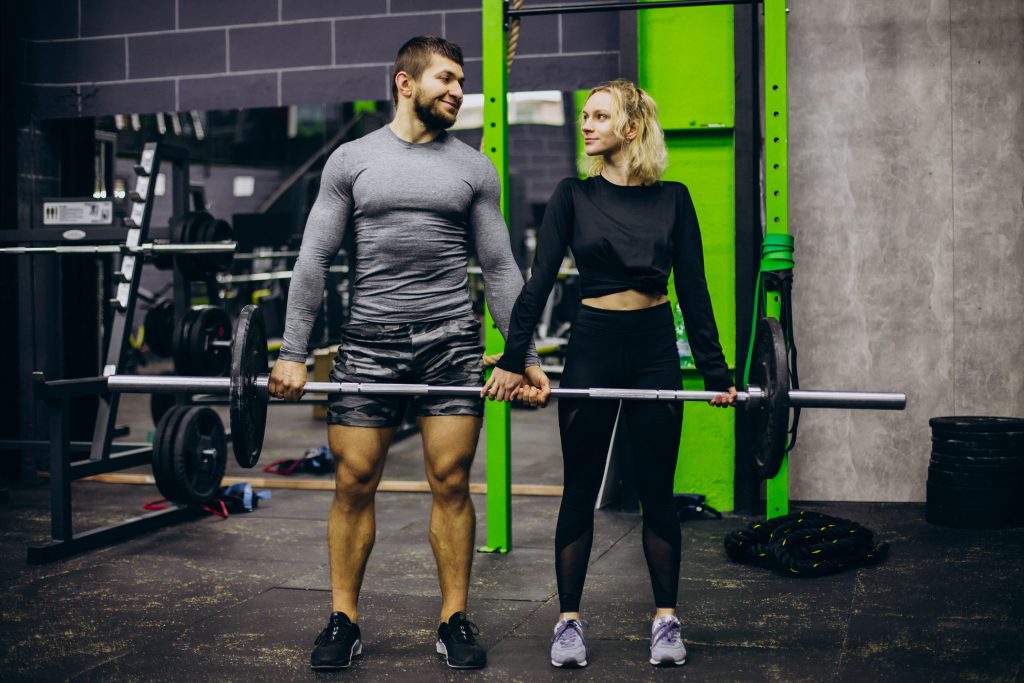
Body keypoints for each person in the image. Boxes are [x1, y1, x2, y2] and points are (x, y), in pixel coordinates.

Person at [268, 36, 549, 671]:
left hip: (450, 343)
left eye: (461, 82)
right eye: (446, 79)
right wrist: (292, 352)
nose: (458, 91)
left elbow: (500, 267)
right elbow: (313, 258)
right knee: (352, 480)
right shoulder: (351, 160)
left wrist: (522, 353)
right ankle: (343, 618)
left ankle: (454, 618)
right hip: (369, 344)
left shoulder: (474, 168)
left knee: (450, 481)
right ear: (405, 82)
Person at [484, 79, 737, 668]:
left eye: (600, 116)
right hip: (593, 345)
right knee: (579, 488)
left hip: (654, 349)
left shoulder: (674, 199)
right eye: (585, 116)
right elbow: (538, 283)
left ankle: (666, 621)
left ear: (632, 127)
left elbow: (693, 290)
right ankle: (568, 622)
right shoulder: (572, 195)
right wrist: (515, 358)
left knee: (657, 493)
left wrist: (716, 372)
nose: (587, 125)